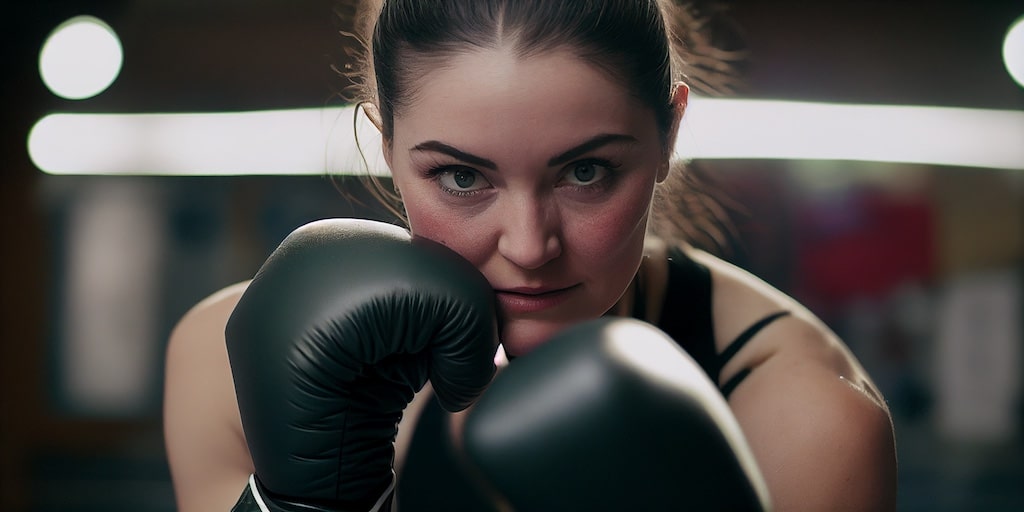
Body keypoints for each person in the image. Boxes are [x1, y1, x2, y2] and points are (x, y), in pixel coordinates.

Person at [163, 0, 898, 510]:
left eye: (586, 172)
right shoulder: (223, 361)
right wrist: (298, 507)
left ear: (669, 134)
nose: (529, 246)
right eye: (461, 177)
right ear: (384, 146)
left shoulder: (804, 419)